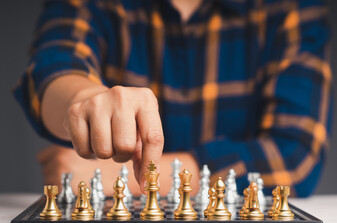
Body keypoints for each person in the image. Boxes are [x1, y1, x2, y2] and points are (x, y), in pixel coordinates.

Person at [14, 0, 332, 197]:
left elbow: (296, 154)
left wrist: (126, 178)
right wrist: (84, 99)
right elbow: (53, 65)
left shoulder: (291, 6)